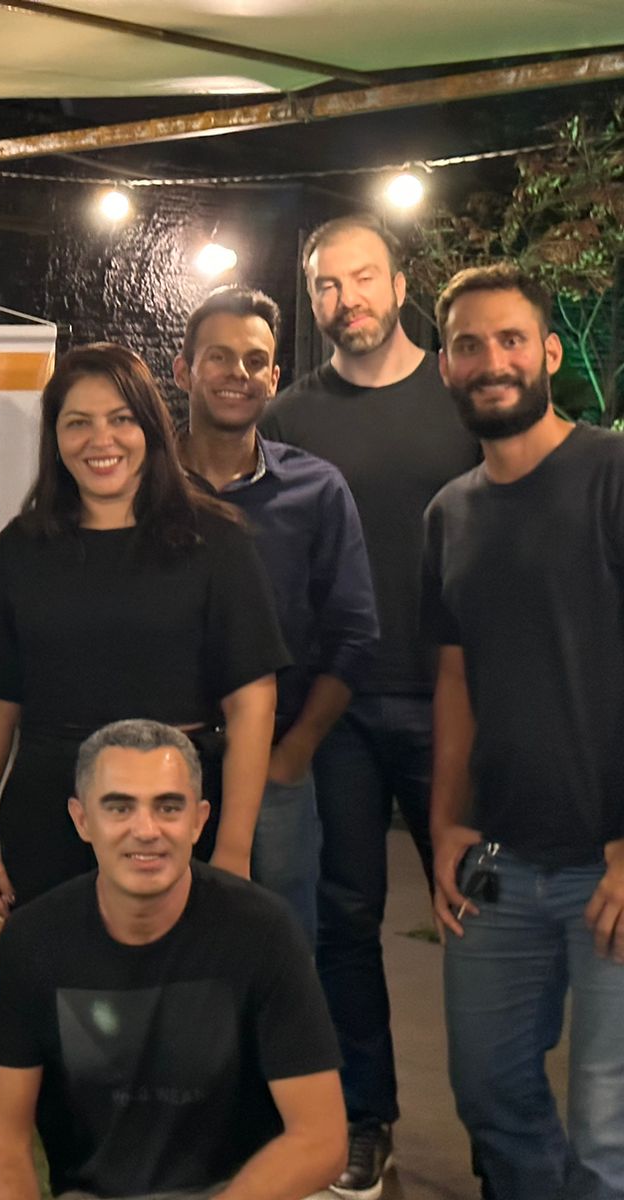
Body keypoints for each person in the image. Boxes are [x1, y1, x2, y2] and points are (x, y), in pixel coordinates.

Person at [259, 212, 480, 1196]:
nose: (344, 299)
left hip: (456, 704)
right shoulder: (290, 420)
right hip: (335, 711)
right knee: (342, 924)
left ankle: (499, 1134)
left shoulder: (461, 397)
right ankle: (364, 1121)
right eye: (325, 284)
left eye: (361, 278)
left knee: (478, 918)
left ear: (399, 286)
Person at [0, 343, 287, 912]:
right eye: (78, 423)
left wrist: (233, 847)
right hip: (49, 815)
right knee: (59, 969)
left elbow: (253, 701)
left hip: (175, 810)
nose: (100, 440)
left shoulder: (216, 540)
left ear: (150, 428)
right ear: (55, 438)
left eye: (120, 419)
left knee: (182, 969)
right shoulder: (23, 546)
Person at [424, 264, 624, 1200]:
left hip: (609, 864)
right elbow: (455, 679)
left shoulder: (612, 474)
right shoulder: (449, 515)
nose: (491, 361)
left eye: (511, 340)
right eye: (469, 345)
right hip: (497, 865)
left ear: (548, 353)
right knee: (489, 1095)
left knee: (607, 1130)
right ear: (446, 367)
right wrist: (445, 823)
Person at [0, 718, 346, 1200]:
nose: (146, 830)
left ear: (199, 819)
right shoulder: (32, 941)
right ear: (82, 820)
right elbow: (4, 1142)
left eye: (168, 807)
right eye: (119, 808)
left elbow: (320, 1139)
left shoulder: (264, 931)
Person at [173, 286, 379, 946]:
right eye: (218, 356)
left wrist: (295, 754)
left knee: (280, 956)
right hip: (156, 765)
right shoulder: (144, 486)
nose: (237, 373)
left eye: (254, 360)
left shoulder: (317, 490)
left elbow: (354, 633)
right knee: (162, 959)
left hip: (274, 770)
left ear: (274, 377)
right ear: (183, 371)